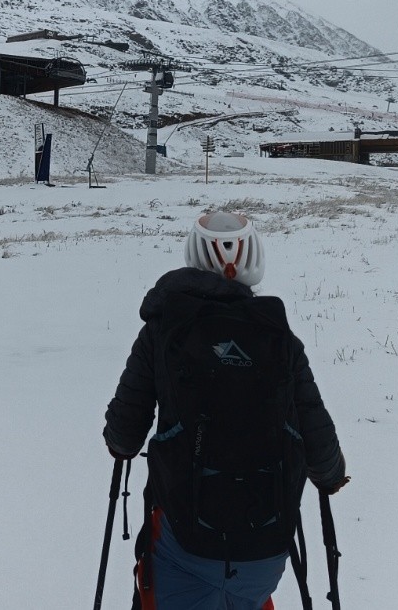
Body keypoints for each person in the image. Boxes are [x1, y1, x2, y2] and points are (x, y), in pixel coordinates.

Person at [103, 210, 348, 610]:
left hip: (182, 546)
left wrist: (118, 445)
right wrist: (332, 476)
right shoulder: (281, 338)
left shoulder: (161, 333)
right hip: (266, 550)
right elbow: (320, 443)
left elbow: (124, 433)